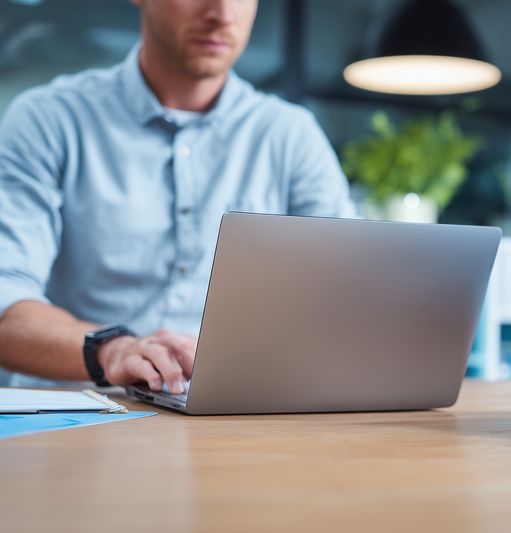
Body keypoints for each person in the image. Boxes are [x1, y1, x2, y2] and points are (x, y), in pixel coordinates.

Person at [0, 0, 355, 394]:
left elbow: (347, 295)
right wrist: (113, 350)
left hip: (236, 422)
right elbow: (5, 301)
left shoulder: (291, 135)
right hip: (77, 418)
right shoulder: (47, 120)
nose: (222, 13)